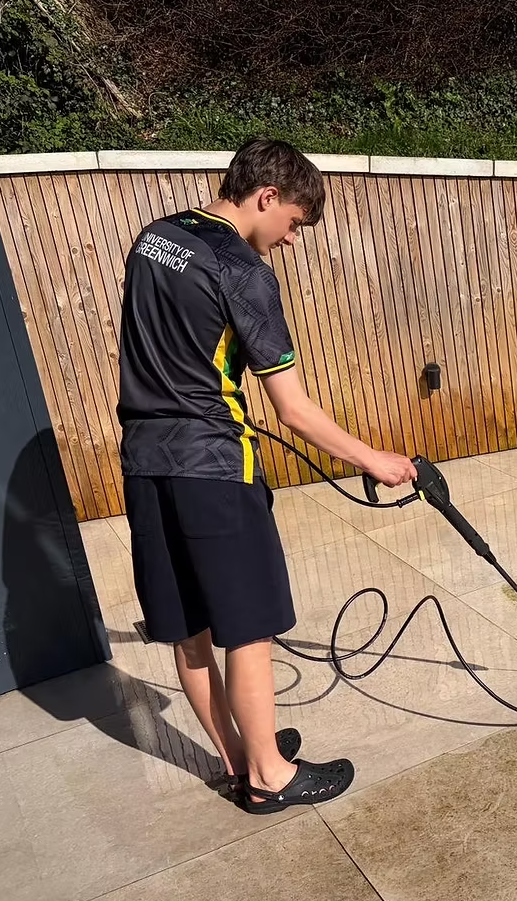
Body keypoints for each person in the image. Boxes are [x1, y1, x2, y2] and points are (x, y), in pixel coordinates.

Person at [116, 137, 417, 813]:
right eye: (294, 224)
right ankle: (271, 776)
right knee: (246, 626)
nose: (289, 240)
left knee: (188, 626)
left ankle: (238, 757)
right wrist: (377, 459)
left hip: (142, 460)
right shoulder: (241, 269)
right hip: (215, 467)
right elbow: (293, 408)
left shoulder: (154, 239)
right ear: (267, 196)